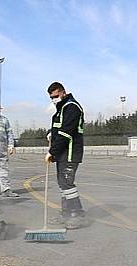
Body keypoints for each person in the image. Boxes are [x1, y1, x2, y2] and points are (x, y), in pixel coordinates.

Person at [45, 82, 86, 229]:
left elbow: (65, 132)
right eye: (51, 97)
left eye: (56, 96)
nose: (54, 99)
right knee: (62, 183)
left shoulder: (72, 107)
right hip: (62, 154)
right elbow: (58, 128)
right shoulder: (61, 107)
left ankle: (77, 214)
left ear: (63, 92)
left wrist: (51, 152)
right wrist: (50, 133)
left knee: (68, 184)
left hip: (70, 152)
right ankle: (66, 213)